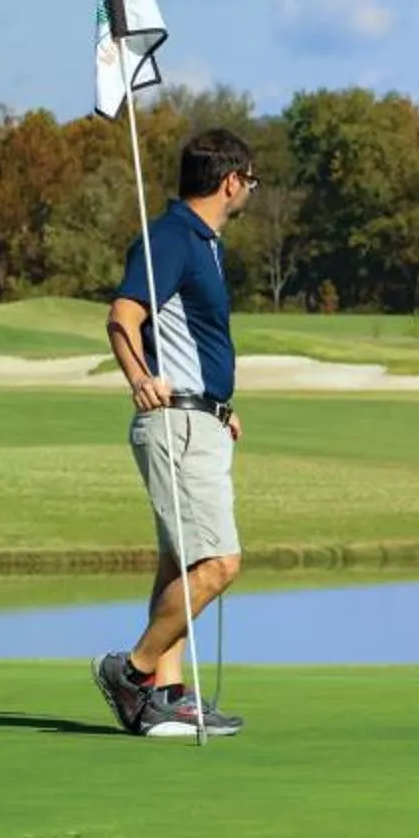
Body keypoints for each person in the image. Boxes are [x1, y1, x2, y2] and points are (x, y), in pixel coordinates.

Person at [91, 128, 255, 739]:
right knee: (219, 563)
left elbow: (194, 339)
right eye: (249, 182)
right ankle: (131, 672)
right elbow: (122, 316)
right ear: (231, 180)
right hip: (175, 422)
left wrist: (219, 404)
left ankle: (168, 695)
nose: (248, 192)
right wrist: (140, 378)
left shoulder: (204, 242)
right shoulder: (172, 238)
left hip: (200, 417)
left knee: (181, 565)